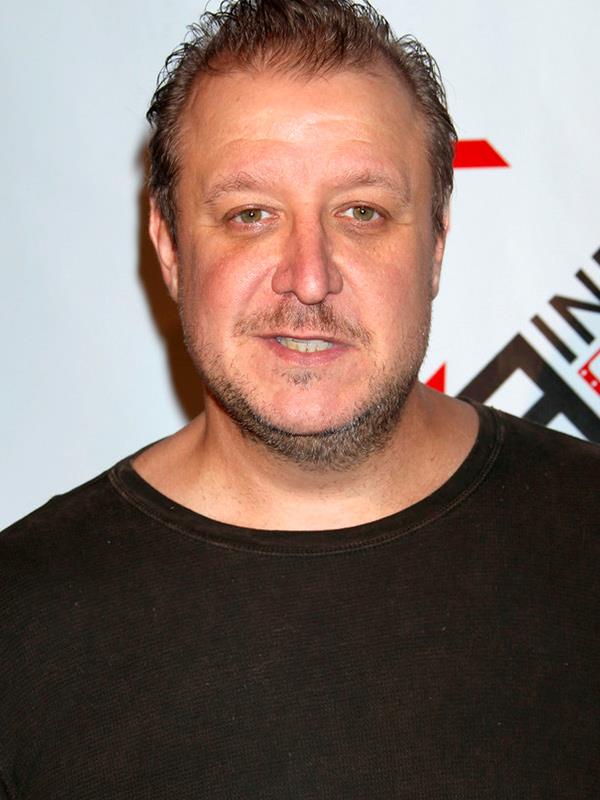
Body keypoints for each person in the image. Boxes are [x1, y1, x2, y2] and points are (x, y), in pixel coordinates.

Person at [1, 1, 598, 797]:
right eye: (250, 215)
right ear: (170, 247)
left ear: (437, 243)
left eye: (362, 212)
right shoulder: (22, 616)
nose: (309, 278)